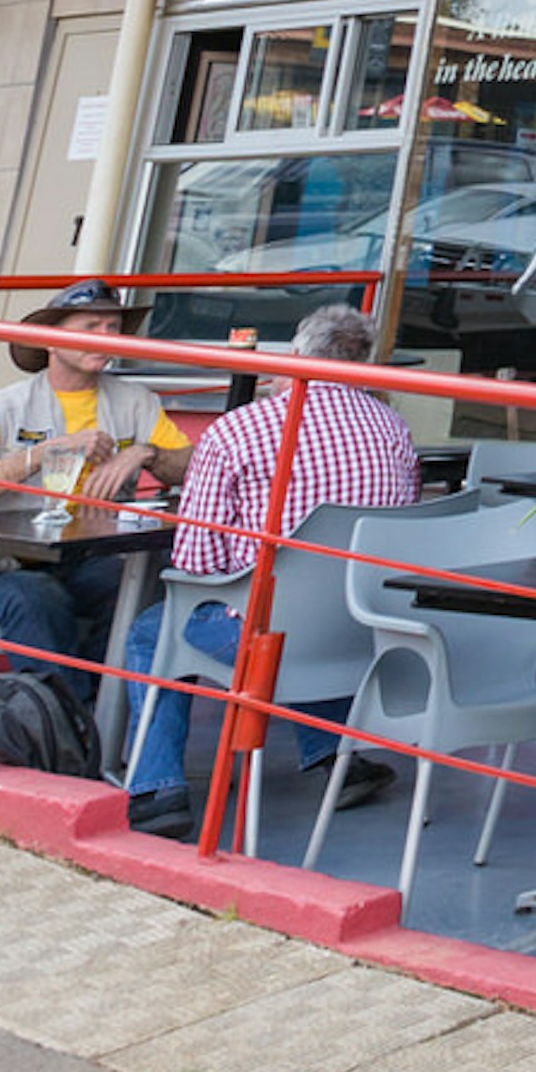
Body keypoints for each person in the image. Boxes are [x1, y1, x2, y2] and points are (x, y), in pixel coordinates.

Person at [118, 300, 421, 837]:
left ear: (296, 355)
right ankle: (335, 759)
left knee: (154, 630)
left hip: (264, 641)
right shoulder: (393, 428)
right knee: (314, 595)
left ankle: (157, 790)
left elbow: (197, 561)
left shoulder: (239, 430)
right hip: (360, 630)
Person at [0, 285, 190, 670]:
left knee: (140, 585)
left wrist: (144, 453)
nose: (105, 337)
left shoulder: (136, 401)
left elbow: (195, 467)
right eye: (90, 326)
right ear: (50, 340)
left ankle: (93, 707)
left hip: (83, 558)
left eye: (113, 327)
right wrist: (41, 454)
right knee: (37, 597)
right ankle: (60, 722)